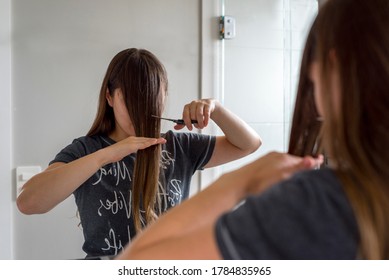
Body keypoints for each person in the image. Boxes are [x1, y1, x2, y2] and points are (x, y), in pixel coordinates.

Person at [116, 0, 389, 260]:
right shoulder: (85, 148)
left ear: (333, 68)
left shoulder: (315, 204)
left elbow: (134, 264)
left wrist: (240, 180)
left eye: (312, 73)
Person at [16, 48, 261, 258]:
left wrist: (215, 108)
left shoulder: (179, 147)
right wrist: (107, 155)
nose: (141, 111)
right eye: (131, 100)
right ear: (109, 96)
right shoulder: (85, 150)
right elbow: (29, 202)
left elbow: (249, 144)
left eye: (150, 100)